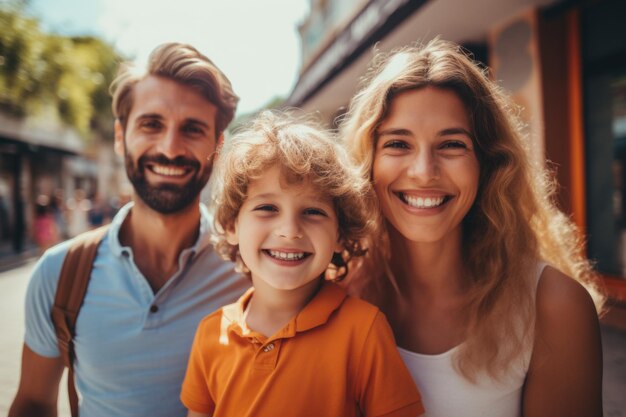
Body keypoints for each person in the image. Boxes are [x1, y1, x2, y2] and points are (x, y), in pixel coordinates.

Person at [340, 39, 605, 417]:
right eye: (398, 144)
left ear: (489, 163)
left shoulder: (553, 306)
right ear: (366, 162)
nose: (423, 171)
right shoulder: (332, 293)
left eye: (451, 144)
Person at [9, 42, 249, 417]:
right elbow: (35, 403)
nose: (170, 148)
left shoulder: (251, 271)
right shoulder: (59, 274)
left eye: (192, 129)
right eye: (151, 124)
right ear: (121, 137)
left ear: (218, 147)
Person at [180, 111, 424, 417]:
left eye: (313, 211)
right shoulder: (210, 333)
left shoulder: (363, 331)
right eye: (267, 207)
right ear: (232, 225)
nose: (289, 230)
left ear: (339, 233)